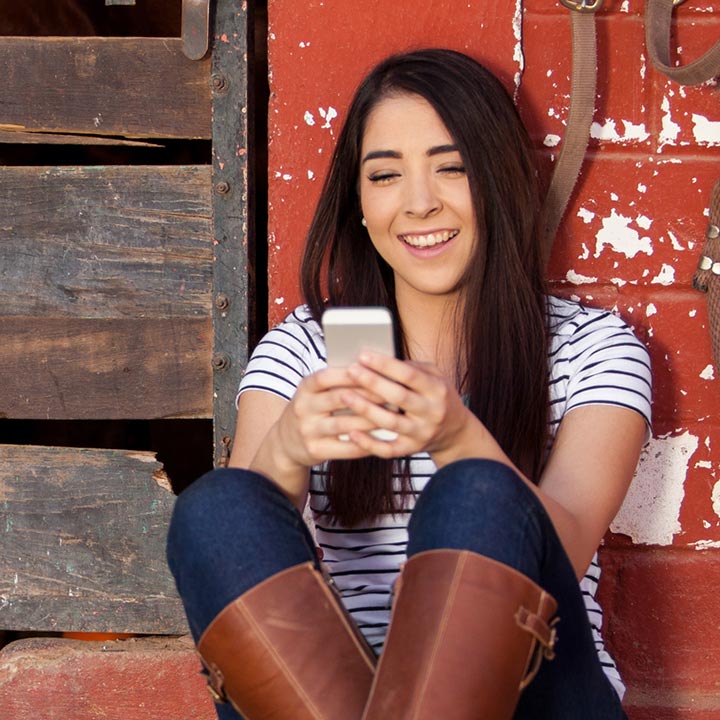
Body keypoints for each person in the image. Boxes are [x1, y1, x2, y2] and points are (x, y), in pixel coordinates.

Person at [167, 48, 652, 720]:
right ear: (361, 205)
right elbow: (233, 559)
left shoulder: (592, 349)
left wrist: (456, 434)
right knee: (217, 505)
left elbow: (560, 553)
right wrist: (288, 449)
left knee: (478, 492)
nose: (420, 204)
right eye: (386, 175)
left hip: (535, 700)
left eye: (452, 168)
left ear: (502, 180)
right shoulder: (300, 350)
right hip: (334, 701)